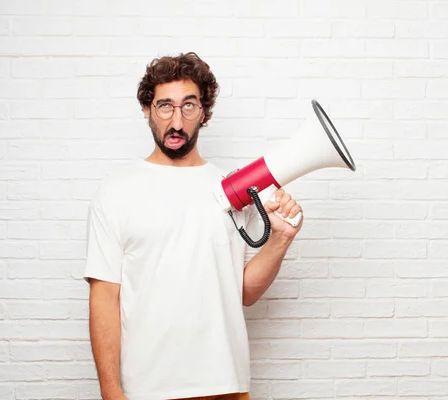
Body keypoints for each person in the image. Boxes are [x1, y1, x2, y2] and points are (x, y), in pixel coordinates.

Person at [84, 52, 303, 400]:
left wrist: (281, 239)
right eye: (164, 106)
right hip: (148, 389)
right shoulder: (116, 191)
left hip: (227, 385)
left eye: (189, 106)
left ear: (203, 112)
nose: (176, 120)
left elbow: (244, 292)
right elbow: (104, 296)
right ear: (146, 110)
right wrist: (111, 392)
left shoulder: (231, 189)